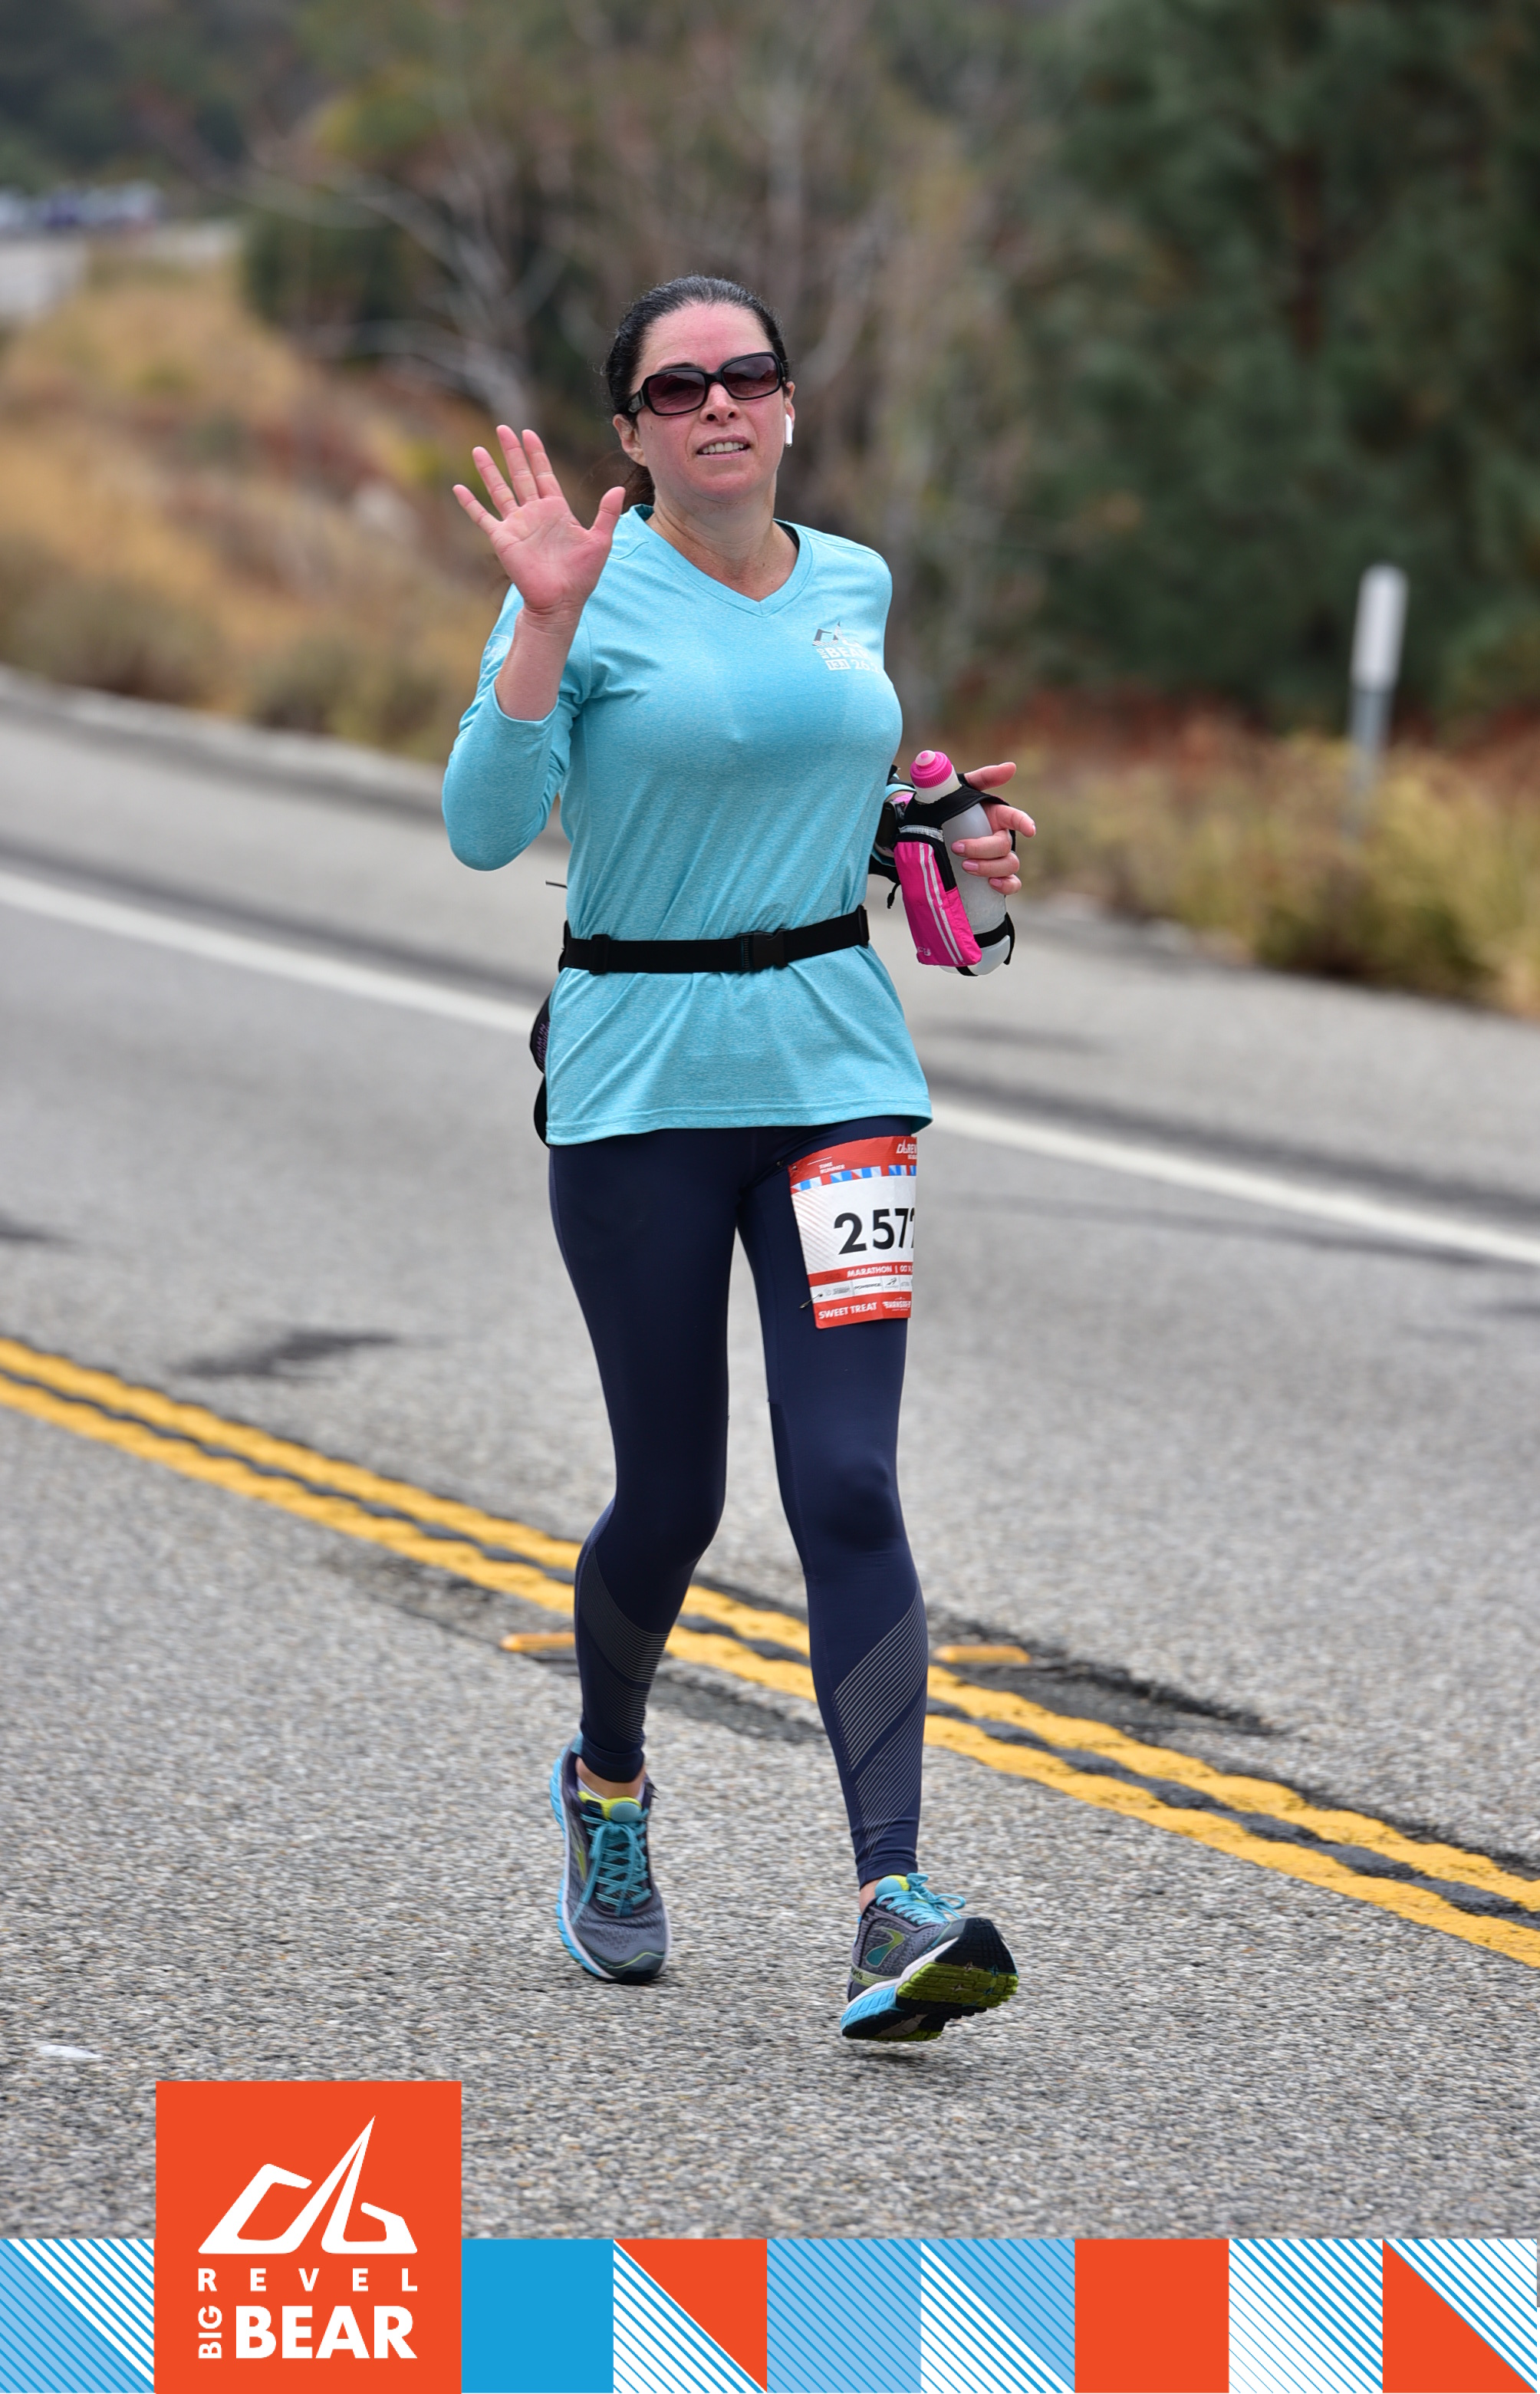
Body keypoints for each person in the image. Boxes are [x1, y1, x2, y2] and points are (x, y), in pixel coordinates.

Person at [443, 275, 1035, 2045]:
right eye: (677, 385)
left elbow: (800, 792)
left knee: (846, 1480)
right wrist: (544, 624)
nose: (719, 403)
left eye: (747, 375)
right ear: (630, 429)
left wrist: (933, 837)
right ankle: (607, 1788)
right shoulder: (580, 589)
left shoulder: (851, 582)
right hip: (637, 1089)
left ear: (785, 403)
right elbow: (483, 825)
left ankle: (889, 1901)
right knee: (674, 1494)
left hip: (838, 1079)